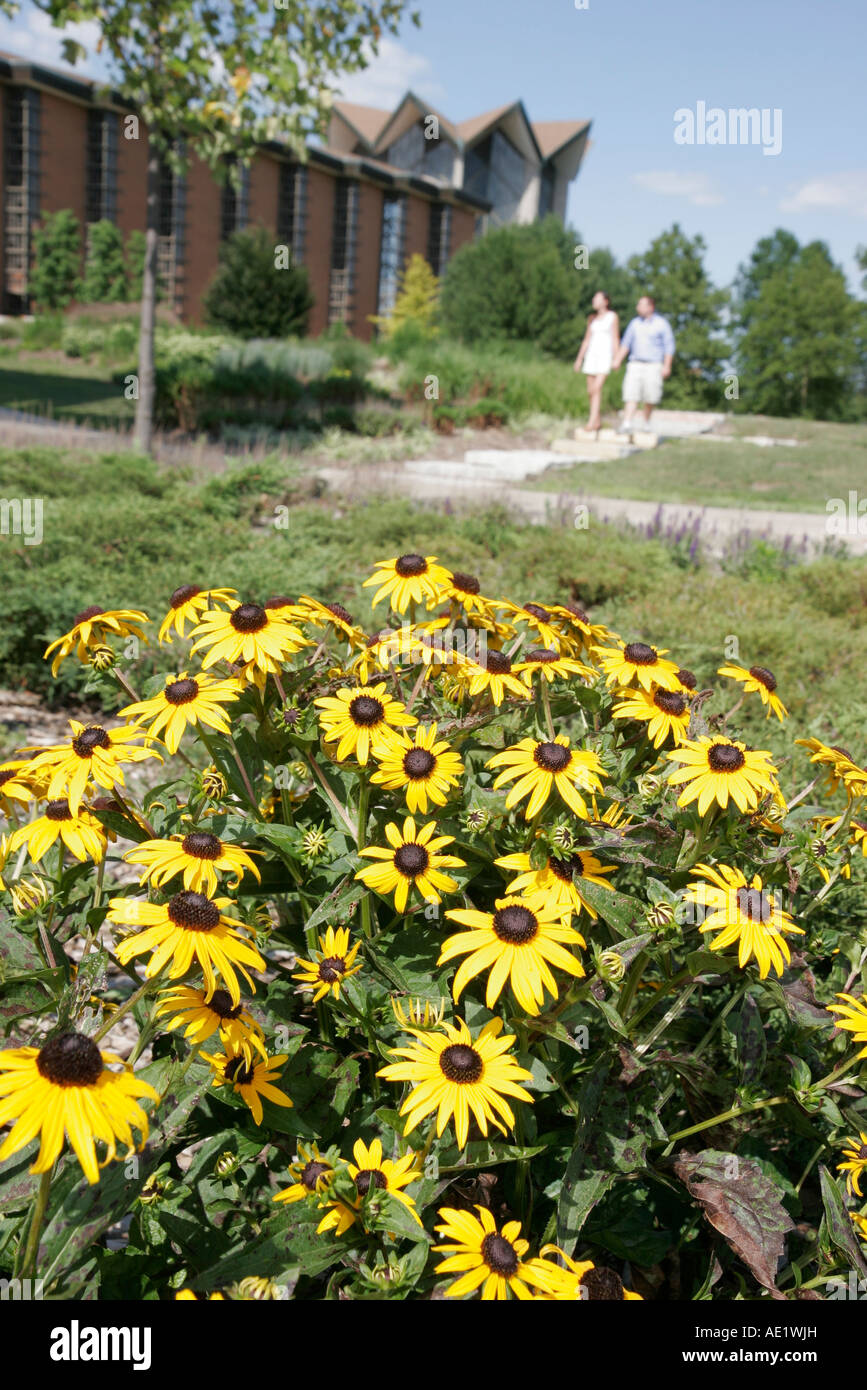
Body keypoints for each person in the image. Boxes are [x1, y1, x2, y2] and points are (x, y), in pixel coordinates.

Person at [612, 295, 675, 437]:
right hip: (635, 363)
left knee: (650, 397)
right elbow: (626, 344)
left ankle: (646, 422)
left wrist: (667, 365)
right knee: (631, 394)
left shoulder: (661, 324)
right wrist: (617, 360)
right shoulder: (634, 324)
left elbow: (669, 346)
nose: (637, 307)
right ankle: (627, 423)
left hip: (654, 365)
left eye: (641, 304)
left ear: (650, 307)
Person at [573, 291, 619, 435]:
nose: (594, 301)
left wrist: (616, 358)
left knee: (597, 388)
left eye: (597, 298)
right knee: (590, 390)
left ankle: (591, 422)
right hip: (591, 356)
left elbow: (615, 338)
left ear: (605, 301)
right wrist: (579, 359)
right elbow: (586, 340)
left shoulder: (612, 317)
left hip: (604, 356)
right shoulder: (592, 319)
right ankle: (597, 420)